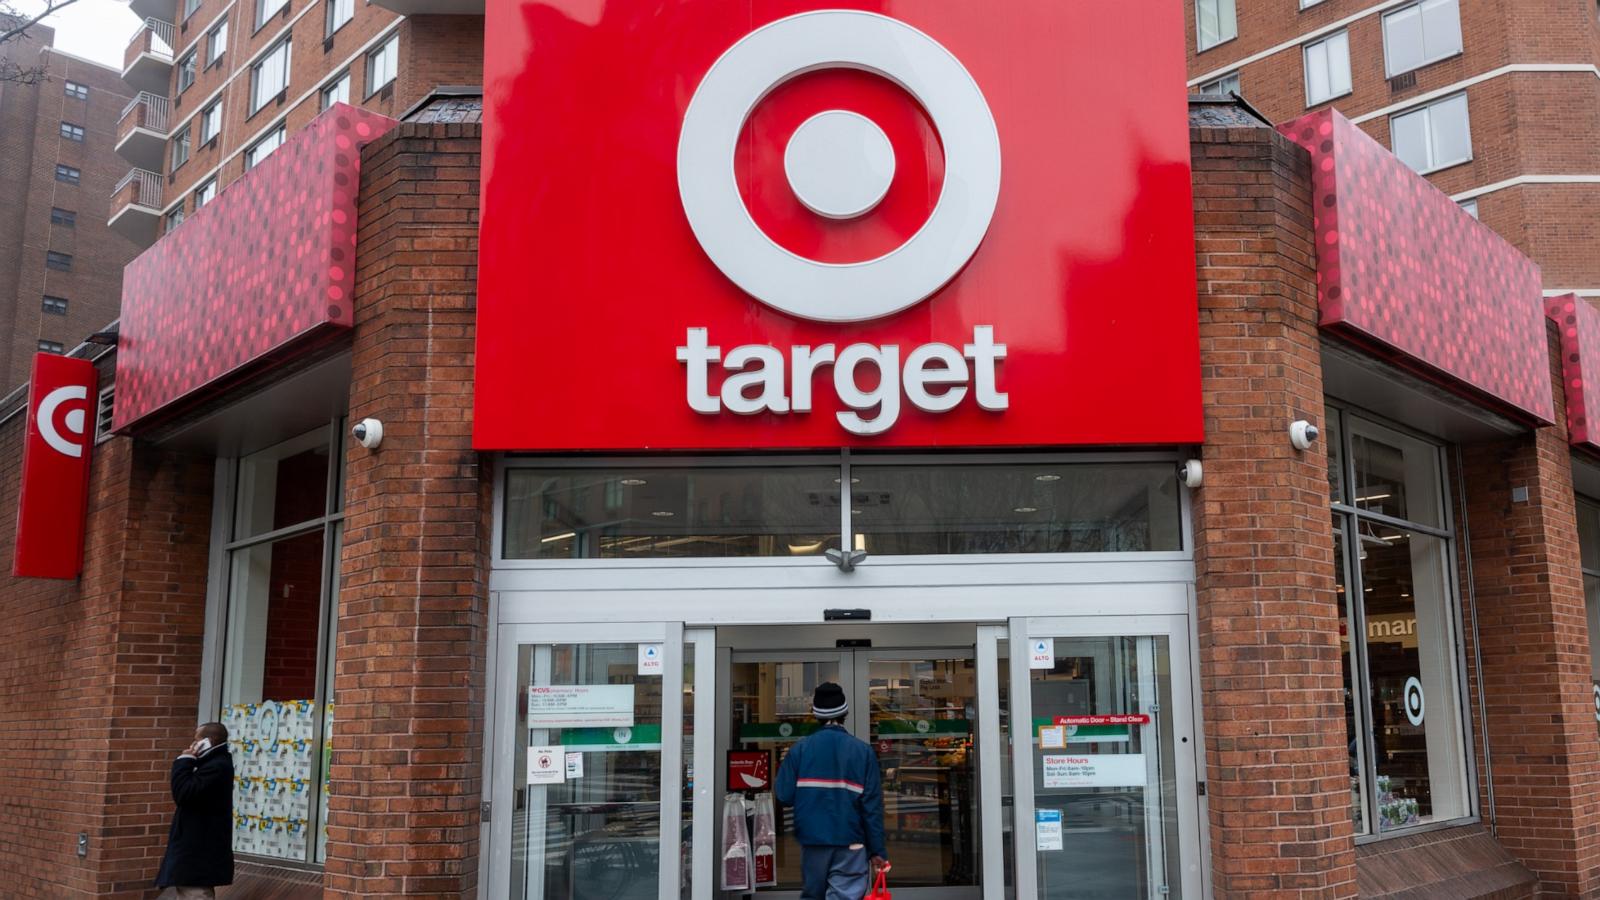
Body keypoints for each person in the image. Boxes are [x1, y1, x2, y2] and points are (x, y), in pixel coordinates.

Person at [775, 682, 887, 900]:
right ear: (844, 713)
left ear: (815, 715)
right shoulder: (863, 752)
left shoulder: (799, 750)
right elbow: (871, 808)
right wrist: (877, 851)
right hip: (851, 841)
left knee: (813, 895)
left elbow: (783, 795)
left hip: (813, 840)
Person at [155, 722, 235, 899]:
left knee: (195, 894)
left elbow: (183, 793)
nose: (192, 745)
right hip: (194, 852)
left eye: (196, 740)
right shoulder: (210, 763)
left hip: (199, 853)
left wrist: (184, 762)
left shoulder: (217, 766)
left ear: (209, 741)